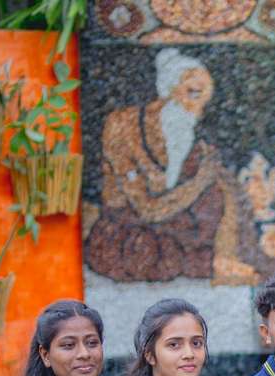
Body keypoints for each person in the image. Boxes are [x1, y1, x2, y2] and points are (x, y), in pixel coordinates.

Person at [86, 47, 264, 285]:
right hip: (127, 230)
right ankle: (213, 263)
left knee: (220, 188)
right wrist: (198, 183)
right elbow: (147, 210)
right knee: (147, 250)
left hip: (174, 225)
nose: (196, 110)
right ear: (170, 89)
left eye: (203, 101)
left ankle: (223, 259)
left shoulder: (191, 142)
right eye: (193, 93)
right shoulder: (121, 125)